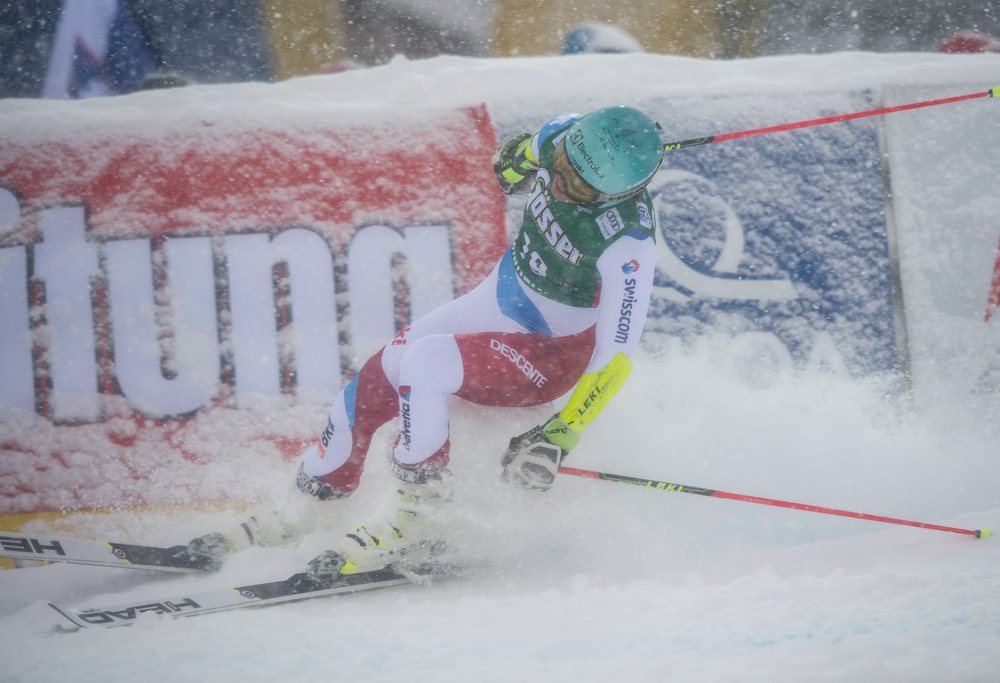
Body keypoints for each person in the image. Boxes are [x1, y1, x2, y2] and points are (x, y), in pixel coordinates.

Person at [175, 106, 664, 581]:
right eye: (562, 165)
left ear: (614, 195)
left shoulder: (628, 241)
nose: (560, 181)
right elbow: (518, 158)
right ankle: (309, 509)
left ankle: (419, 515)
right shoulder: (564, 133)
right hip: (498, 298)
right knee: (376, 376)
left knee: (428, 362)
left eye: (578, 184)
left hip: (551, 353)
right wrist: (514, 159)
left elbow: (616, 358)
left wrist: (560, 435)